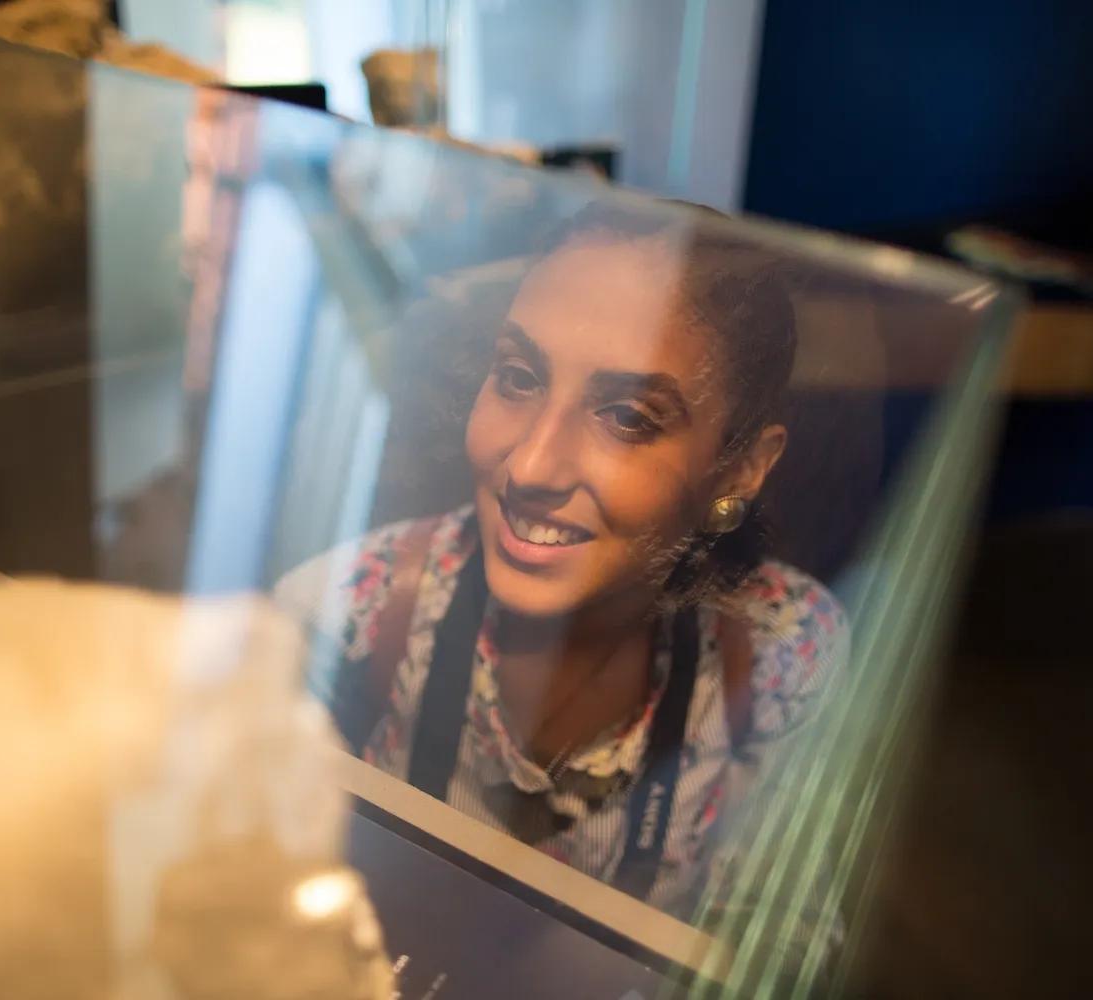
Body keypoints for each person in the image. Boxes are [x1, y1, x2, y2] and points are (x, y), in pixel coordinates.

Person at [276, 200, 848, 919]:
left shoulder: (780, 649)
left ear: (741, 469)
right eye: (517, 376)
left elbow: (777, 940)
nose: (532, 467)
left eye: (629, 417)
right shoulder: (340, 616)